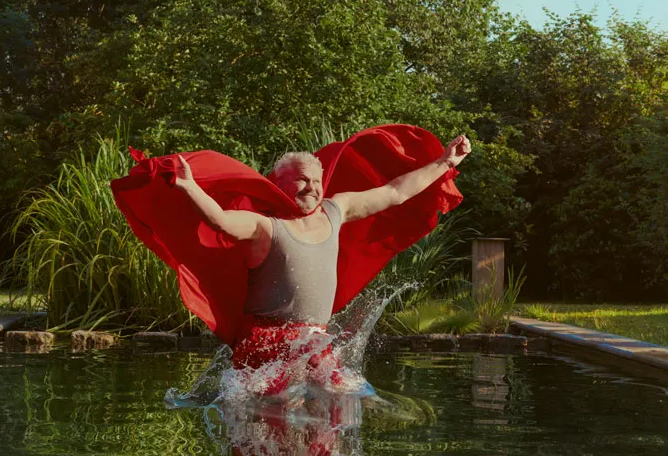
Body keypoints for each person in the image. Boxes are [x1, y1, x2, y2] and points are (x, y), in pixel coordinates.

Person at [111, 124, 470, 394]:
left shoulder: (335, 209)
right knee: (275, 423)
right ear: (276, 184)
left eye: (315, 181)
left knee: (339, 407)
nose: (311, 187)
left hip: (313, 340)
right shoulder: (265, 227)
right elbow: (220, 220)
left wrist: (444, 163)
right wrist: (190, 187)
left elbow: (394, 192)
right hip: (266, 341)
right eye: (300, 181)